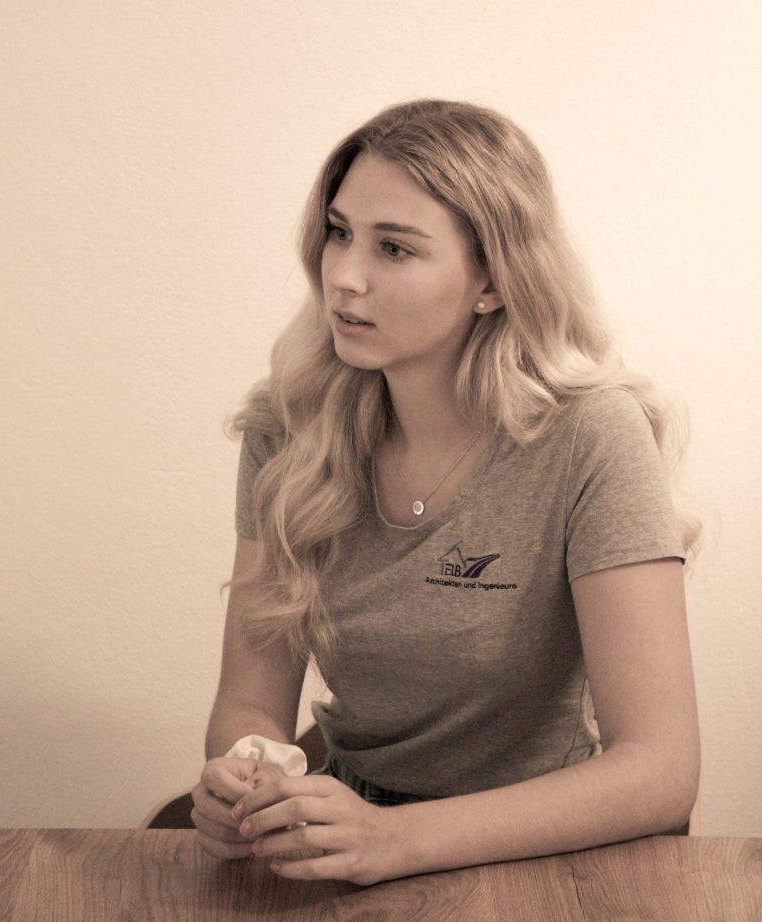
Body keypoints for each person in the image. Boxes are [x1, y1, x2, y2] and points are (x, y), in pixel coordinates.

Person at [190, 99, 700, 886]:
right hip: (351, 843)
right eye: (339, 232)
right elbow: (250, 703)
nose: (344, 275)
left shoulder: (592, 435)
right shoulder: (289, 430)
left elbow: (661, 769)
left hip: (547, 855)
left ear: (491, 280)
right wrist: (245, 774)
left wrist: (398, 840)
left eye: (394, 247)